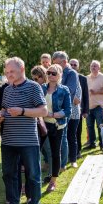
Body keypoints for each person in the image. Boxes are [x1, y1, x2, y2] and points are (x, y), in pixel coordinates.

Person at [0, 57, 47, 204]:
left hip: (28, 140)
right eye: (7, 72)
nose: (9, 75)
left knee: (33, 174)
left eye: (11, 71)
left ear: (22, 69)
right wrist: (0, 115)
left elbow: (43, 111)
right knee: (9, 173)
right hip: (8, 140)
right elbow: (6, 110)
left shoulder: (33, 87)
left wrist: (22, 111)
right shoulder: (7, 89)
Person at [42, 64, 71, 192]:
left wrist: (52, 114)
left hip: (56, 125)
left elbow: (68, 110)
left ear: (60, 75)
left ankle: (53, 181)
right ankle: (34, 180)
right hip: (41, 124)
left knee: (55, 152)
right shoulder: (41, 88)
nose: (50, 76)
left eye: (54, 73)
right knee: (35, 151)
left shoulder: (64, 90)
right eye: (49, 73)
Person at [52, 51, 80, 170]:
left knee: (68, 136)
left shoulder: (71, 73)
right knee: (60, 136)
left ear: (64, 62)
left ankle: (68, 161)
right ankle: (59, 162)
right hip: (58, 109)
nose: (55, 68)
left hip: (68, 110)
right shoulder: (59, 72)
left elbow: (70, 90)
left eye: (57, 64)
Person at [85, 60, 103, 150]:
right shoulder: (86, 78)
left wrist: (97, 92)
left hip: (99, 106)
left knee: (100, 126)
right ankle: (92, 144)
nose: (93, 67)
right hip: (88, 106)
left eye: (95, 66)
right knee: (89, 126)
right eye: (92, 66)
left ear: (99, 68)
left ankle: (102, 145)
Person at [69, 59, 89, 159]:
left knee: (78, 131)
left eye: (75, 65)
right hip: (67, 110)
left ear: (78, 66)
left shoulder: (83, 78)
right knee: (69, 133)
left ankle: (78, 151)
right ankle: (69, 152)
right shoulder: (65, 76)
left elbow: (86, 95)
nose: (72, 66)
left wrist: (86, 111)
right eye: (71, 64)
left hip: (78, 110)